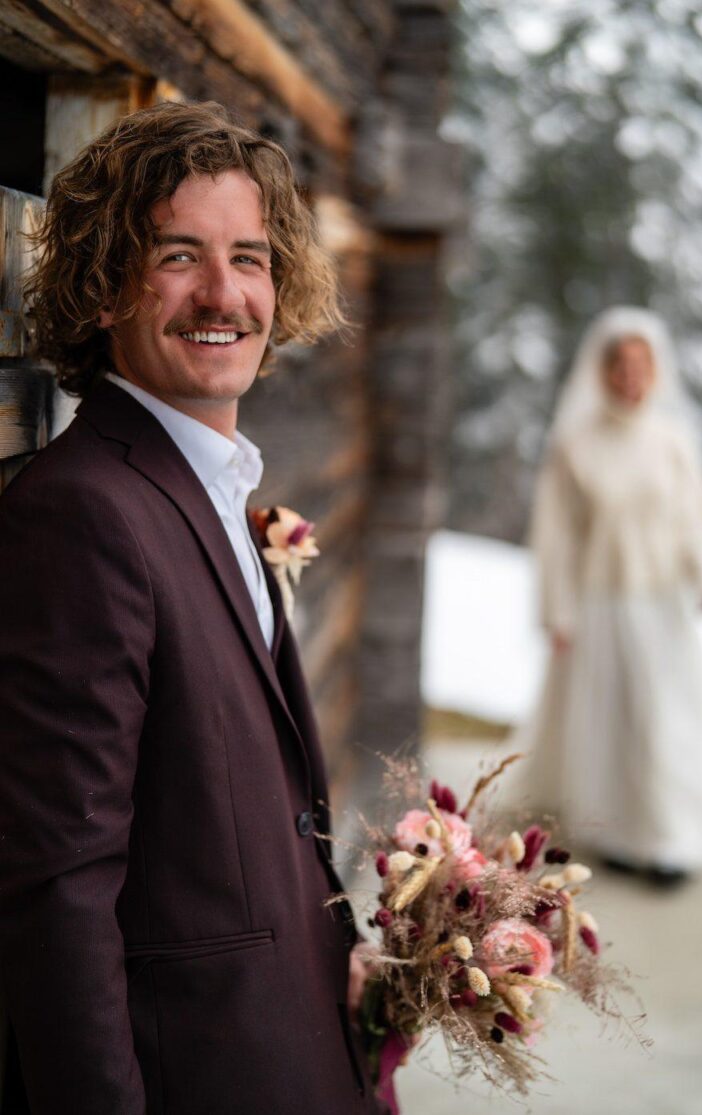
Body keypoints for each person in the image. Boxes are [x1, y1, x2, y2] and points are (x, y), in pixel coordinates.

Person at [0, 101, 382, 1114]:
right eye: (177, 254)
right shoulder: (81, 511)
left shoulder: (206, 482)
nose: (224, 294)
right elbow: (58, 886)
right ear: (102, 285)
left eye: (249, 257)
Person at [522, 306, 702, 886]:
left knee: (665, 717)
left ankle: (671, 834)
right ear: (602, 371)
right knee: (614, 721)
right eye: (620, 365)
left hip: (662, 603)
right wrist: (557, 611)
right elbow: (556, 537)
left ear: (656, 370)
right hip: (601, 606)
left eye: (641, 365)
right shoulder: (576, 444)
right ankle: (619, 832)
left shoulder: (670, 441)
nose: (630, 377)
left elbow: (699, 516)